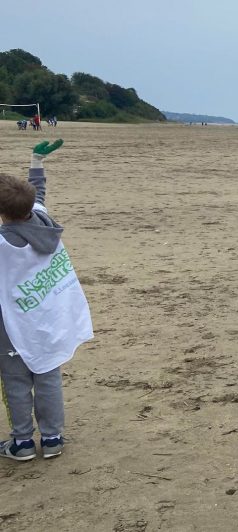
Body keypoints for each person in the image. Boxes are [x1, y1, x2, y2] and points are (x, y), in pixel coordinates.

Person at [0, 139, 93, 461]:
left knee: (15, 382)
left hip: (11, 328)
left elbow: (33, 195)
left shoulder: (3, 243)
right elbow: (37, 194)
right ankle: (52, 437)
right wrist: (36, 160)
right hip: (50, 319)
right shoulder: (41, 219)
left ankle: (22, 442)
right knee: (48, 376)